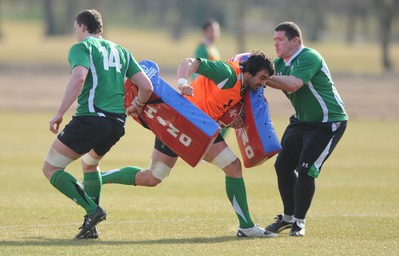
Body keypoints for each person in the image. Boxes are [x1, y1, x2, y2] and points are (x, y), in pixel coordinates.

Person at [98, 51, 277, 238]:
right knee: (232, 166)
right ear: (249, 73)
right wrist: (183, 83)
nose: (263, 84)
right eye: (262, 78)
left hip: (189, 124)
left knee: (152, 178)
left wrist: (231, 117)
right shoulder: (228, 73)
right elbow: (190, 62)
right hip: (188, 124)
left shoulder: (245, 86)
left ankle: (94, 179)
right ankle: (247, 227)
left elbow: (219, 103)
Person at [41, 9, 153, 239]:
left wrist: (60, 113)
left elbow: (79, 77)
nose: (75, 35)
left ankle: (93, 210)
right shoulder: (122, 51)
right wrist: (137, 106)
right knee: (90, 165)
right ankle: (91, 228)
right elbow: (147, 86)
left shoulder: (82, 48)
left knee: (51, 168)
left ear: (82, 27)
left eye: (75, 30)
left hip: (91, 119)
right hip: (116, 124)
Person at [264, 21, 348, 237]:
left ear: (296, 41)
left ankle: (299, 223)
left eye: (280, 39)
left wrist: (263, 78)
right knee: (282, 166)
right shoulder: (278, 64)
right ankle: (288, 218)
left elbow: (293, 84)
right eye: (274, 40)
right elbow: (262, 81)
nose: (276, 44)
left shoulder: (309, 56)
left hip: (328, 122)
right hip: (301, 121)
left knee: (306, 170)